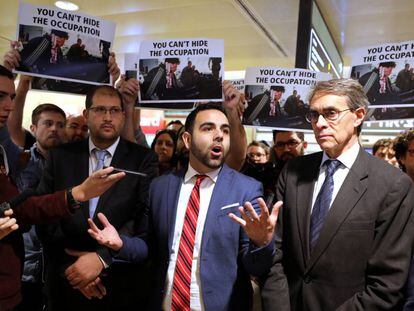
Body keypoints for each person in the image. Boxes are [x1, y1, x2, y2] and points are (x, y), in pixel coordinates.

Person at [87, 104, 281, 311]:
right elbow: (147, 247)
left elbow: (256, 266)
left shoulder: (247, 189)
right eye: (208, 128)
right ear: (187, 140)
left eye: (225, 130)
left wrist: (262, 242)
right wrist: (120, 244)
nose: (219, 136)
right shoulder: (161, 186)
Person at [261, 78, 414, 310]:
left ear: (359, 115)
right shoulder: (293, 173)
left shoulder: (393, 185)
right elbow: (276, 254)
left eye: (331, 113)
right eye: (314, 115)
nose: (320, 123)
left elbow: (386, 284)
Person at [0, 64, 124, 311]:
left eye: (12, 97)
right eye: (1, 97)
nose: (9, 106)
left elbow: (23, 209)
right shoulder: (20, 157)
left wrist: (78, 193)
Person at [35, 84, 158, 311]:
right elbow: (45, 216)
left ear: (123, 115)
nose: (108, 117)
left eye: (114, 111)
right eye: (100, 110)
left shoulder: (143, 159)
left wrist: (101, 258)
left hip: (119, 283)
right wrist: (76, 269)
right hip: (66, 282)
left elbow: (142, 219)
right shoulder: (61, 156)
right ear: (87, 114)